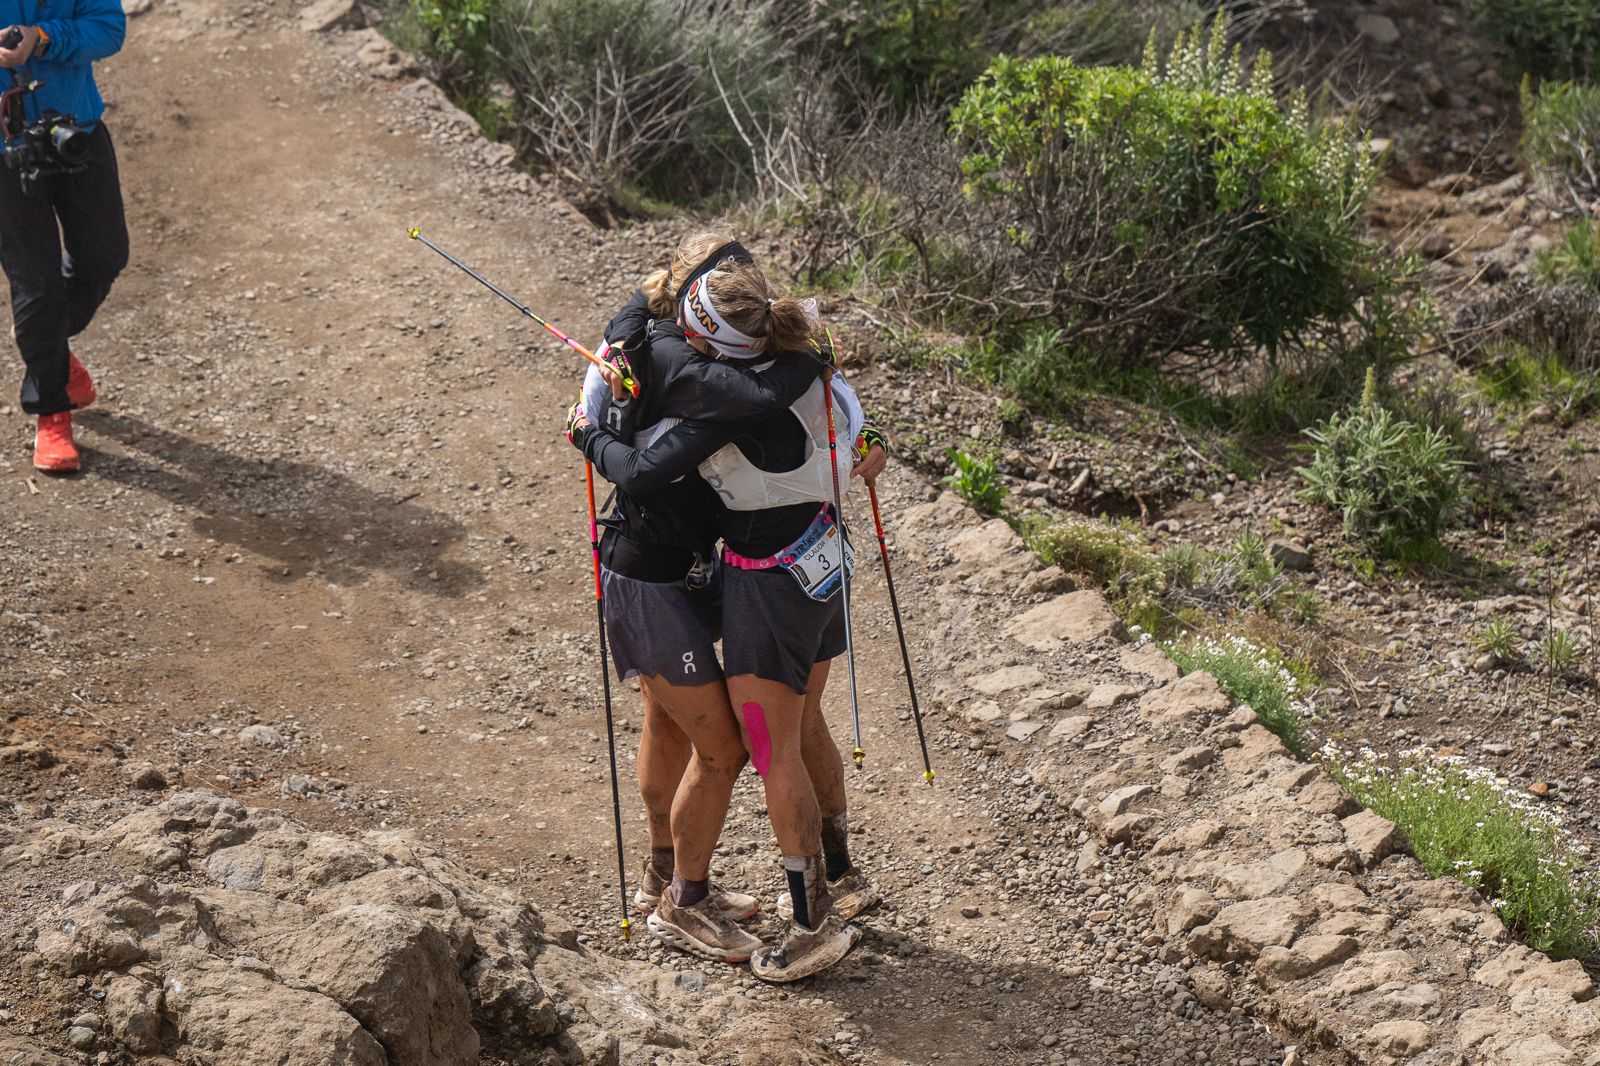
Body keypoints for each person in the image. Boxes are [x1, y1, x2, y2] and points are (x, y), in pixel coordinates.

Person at [570, 260, 887, 982]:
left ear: (713, 341)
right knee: (795, 730)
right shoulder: (815, 364)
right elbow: (862, 440)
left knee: (769, 749)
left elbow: (641, 468)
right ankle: (827, 880)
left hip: (764, 577)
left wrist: (588, 432)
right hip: (821, 553)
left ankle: (807, 923)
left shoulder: (719, 398)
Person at [0, 1, 128, 474]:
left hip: (76, 131)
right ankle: (52, 410)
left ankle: (46, 337)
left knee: (105, 255)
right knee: (36, 284)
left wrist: (43, 37)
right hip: (2, 149)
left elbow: (108, 29)